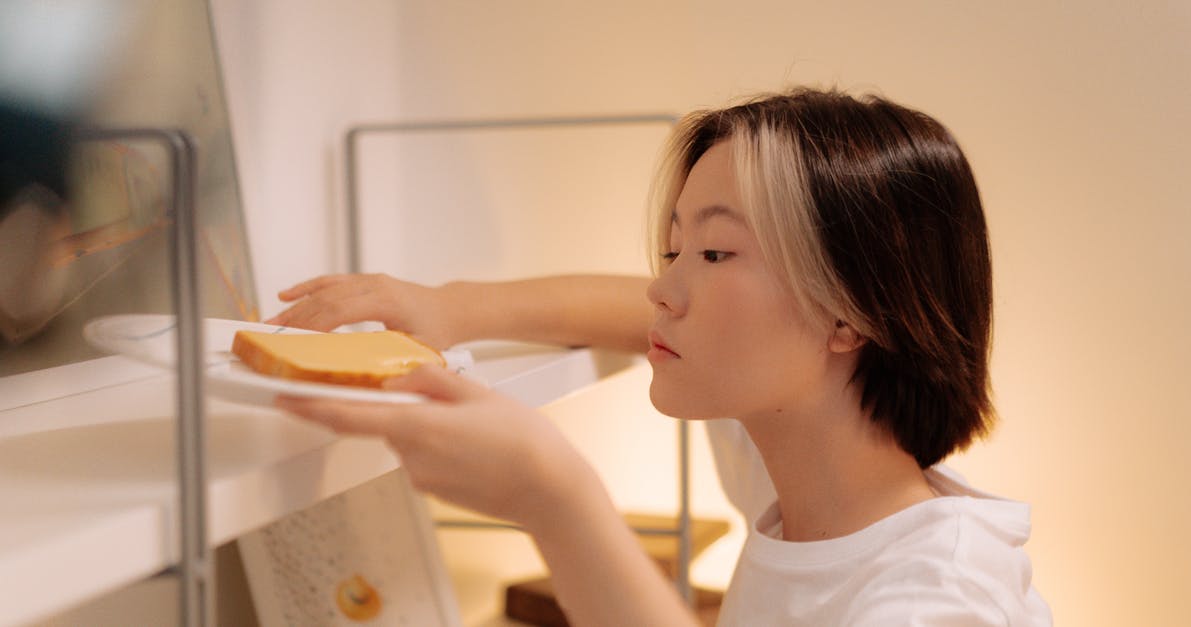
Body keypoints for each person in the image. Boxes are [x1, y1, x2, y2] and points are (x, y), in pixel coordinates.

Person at [267, 87, 1052, 626]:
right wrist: (452, 307)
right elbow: (633, 309)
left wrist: (555, 497)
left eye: (713, 252)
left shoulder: (936, 598)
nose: (663, 289)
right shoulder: (801, 457)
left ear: (848, 312)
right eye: (676, 246)